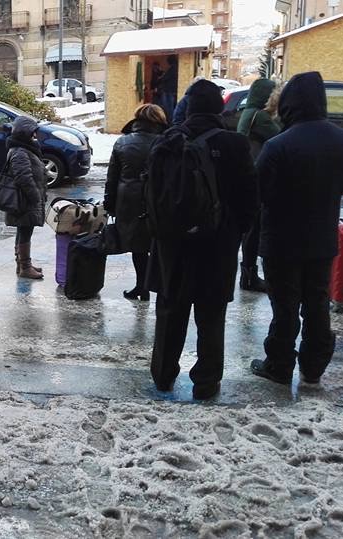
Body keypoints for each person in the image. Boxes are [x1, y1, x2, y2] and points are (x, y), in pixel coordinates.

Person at [250, 72, 343, 386]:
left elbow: (256, 193)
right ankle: (314, 366)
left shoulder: (278, 146)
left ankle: (278, 365)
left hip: (280, 240)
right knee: (317, 301)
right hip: (321, 239)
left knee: (285, 305)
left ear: (290, 103)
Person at [147, 80, 259, 400]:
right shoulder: (236, 145)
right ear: (218, 108)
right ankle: (206, 382)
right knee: (211, 316)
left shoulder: (166, 142)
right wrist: (235, 234)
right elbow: (250, 200)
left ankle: (163, 375)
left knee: (170, 311)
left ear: (189, 107)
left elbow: (151, 196)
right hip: (217, 246)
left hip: (171, 246)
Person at [104, 103, 168, 302]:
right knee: (158, 245)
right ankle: (159, 287)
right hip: (158, 200)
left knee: (138, 247)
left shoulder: (123, 142)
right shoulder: (166, 142)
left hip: (129, 201)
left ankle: (142, 286)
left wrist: (110, 203)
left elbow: (112, 177)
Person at [236, 79, 282, 293]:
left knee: (251, 230)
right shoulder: (260, 117)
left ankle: (248, 274)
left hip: (247, 175)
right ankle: (249, 276)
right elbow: (282, 136)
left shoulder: (248, 112)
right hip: (256, 177)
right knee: (254, 230)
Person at [4, 116, 48, 280]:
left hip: (27, 199)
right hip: (24, 200)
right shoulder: (20, 151)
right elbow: (23, 177)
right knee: (25, 231)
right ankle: (25, 267)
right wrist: (35, 196)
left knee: (23, 230)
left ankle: (22, 263)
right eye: (33, 133)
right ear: (25, 133)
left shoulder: (25, 148)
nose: (35, 136)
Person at [158, 55, 179, 123]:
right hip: (173, 90)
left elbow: (164, 78)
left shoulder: (172, 68)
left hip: (168, 91)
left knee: (168, 108)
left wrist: (161, 77)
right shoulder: (177, 68)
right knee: (172, 107)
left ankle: (169, 122)